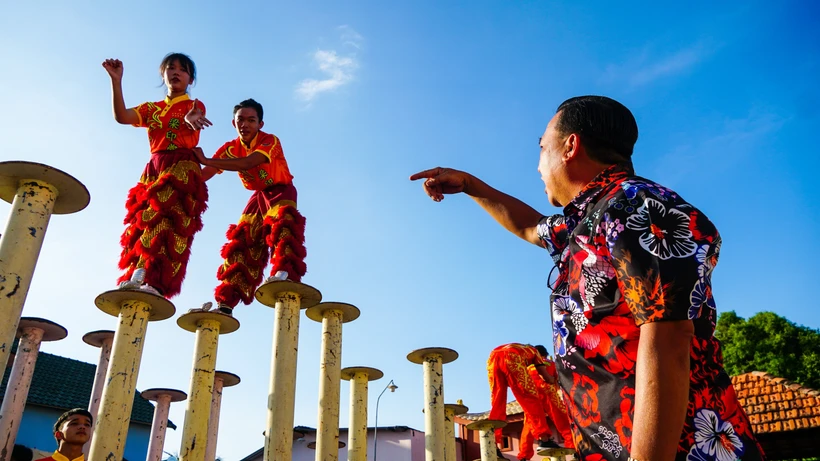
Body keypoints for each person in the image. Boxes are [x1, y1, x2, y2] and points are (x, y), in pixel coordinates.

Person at [411, 96, 764, 461]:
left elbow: (670, 341)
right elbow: (531, 227)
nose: (537, 167)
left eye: (542, 148)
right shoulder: (585, 221)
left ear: (570, 146)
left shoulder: (638, 206)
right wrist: (470, 185)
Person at [102, 52, 211, 298]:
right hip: (155, 168)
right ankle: (137, 271)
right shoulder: (153, 108)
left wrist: (190, 119)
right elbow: (122, 117)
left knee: (167, 221)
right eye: (171, 68)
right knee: (142, 221)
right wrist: (116, 82)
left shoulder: (194, 105)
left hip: (181, 166)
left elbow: (194, 117)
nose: (176, 73)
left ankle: (154, 279)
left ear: (190, 79)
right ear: (163, 74)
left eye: (182, 70)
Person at [193, 98, 306, 314]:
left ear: (260, 124)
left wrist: (207, 160)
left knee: (283, 228)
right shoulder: (229, 148)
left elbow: (248, 163)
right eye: (240, 120)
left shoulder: (269, 140)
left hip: (280, 190)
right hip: (258, 197)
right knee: (242, 243)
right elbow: (202, 175)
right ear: (233, 123)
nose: (245, 125)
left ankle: (285, 273)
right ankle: (226, 303)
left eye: (251, 120)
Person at [487, 343, 563, 459]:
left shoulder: (521, 349)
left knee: (497, 403)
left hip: (492, 357)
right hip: (512, 357)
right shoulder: (535, 353)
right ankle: (544, 440)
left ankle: (492, 444)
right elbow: (546, 378)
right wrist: (557, 380)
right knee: (531, 401)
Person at [518, 351, 575, 460]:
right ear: (545, 354)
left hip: (531, 395)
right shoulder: (552, 363)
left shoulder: (528, 366)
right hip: (548, 391)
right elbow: (557, 382)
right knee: (561, 418)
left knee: (530, 423)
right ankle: (572, 447)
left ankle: (524, 456)